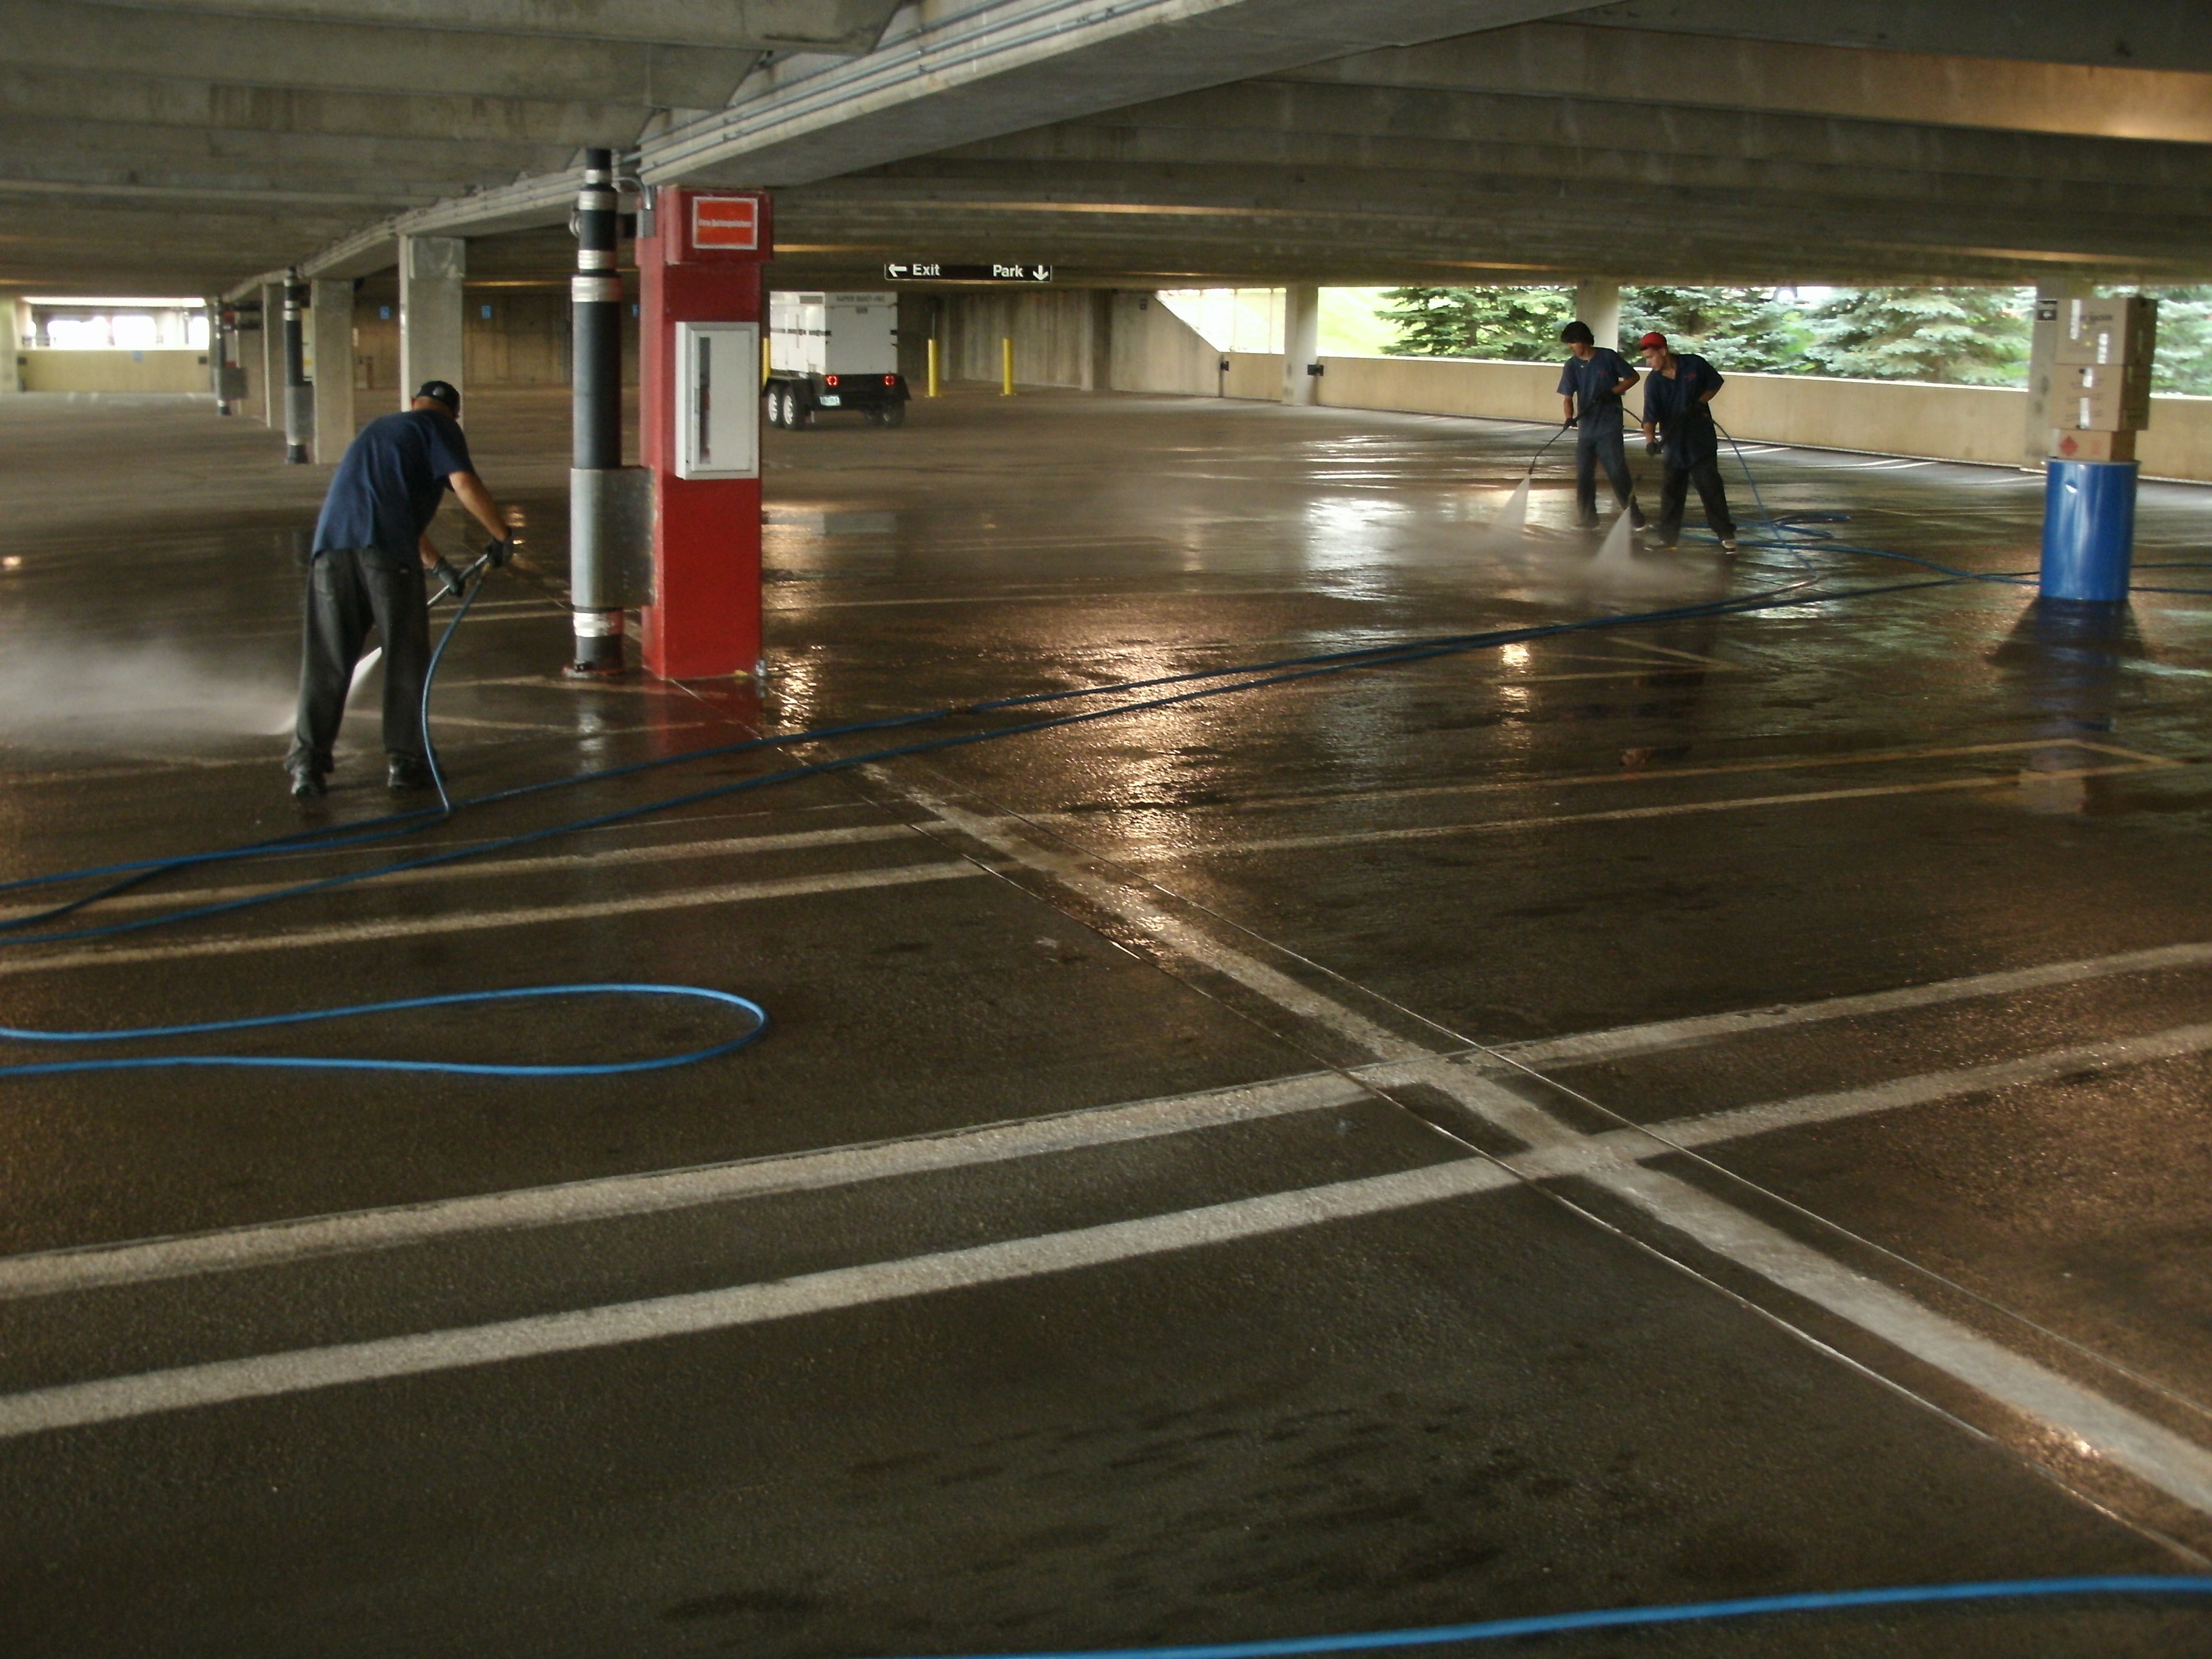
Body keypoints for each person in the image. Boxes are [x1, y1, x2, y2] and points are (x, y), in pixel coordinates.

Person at [286, 380, 509, 800]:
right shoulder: (439, 428)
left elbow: (383, 509)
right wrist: (501, 535)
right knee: (405, 659)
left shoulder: (378, 430)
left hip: (331, 554)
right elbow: (463, 483)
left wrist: (440, 566)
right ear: (454, 415)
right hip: (386, 560)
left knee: (328, 661)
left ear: (412, 403)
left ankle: (307, 766)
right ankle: (405, 763)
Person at [1635, 332, 1737, 552]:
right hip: (1674, 442)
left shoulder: (1694, 364)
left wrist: (1701, 402)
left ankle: (1725, 534)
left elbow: (1715, 382)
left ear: (1663, 351)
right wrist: (1650, 441)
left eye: (1651, 357)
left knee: (1710, 488)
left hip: (1701, 441)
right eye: (1646, 359)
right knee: (1671, 492)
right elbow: (1650, 416)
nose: (1649, 363)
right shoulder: (1654, 382)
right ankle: (1668, 538)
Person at [1555, 320, 1643, 530]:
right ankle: (1588, 518)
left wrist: (1613, 392)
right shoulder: (1572, 365)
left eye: (1573, 343)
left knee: (1617, 471)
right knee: (1584, 473)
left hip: (1609, 425)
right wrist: (1569, 417)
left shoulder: (1607, 357)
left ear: (1583, 340)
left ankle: (1635, 517)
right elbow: (1568, 396)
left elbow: (1633, 376)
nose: (1571, 347)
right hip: (1587, 428)